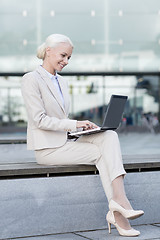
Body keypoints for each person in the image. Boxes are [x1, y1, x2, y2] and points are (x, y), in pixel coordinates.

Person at [21, 34, 144, 237]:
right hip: (47, 150)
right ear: (48, 51)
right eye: (63, 55)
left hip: (65, 141)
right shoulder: (31, 79)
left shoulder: (62, 82)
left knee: (109, 136)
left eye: (69, 57)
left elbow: (60, 118)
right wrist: (74, 123)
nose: (66, 61)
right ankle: (120, 209)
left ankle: (119, 204)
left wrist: (80, 129)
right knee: (101, 153)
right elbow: (39, 120)